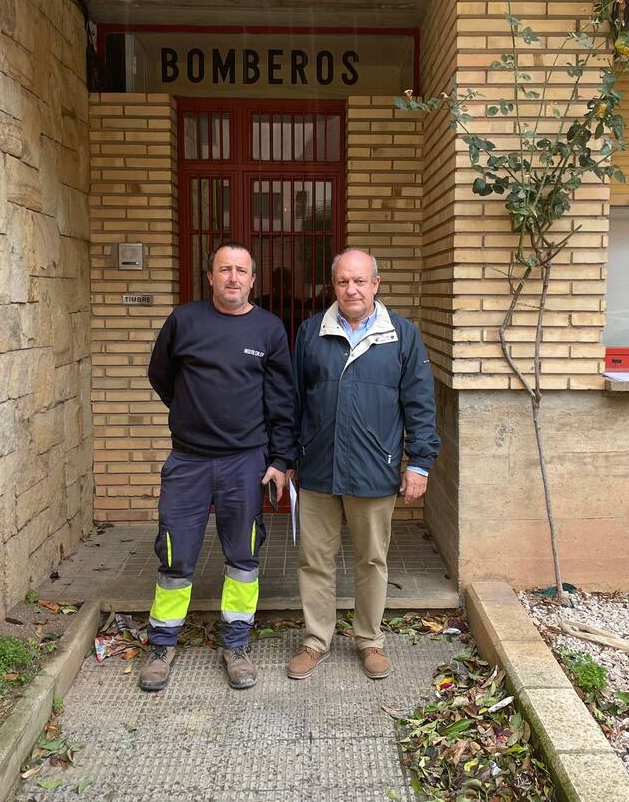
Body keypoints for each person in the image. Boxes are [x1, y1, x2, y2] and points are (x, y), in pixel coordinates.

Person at [140, 242, 294, 692]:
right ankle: (162, 644)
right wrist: (190, 412)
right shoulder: (183, 321)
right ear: (210, 277)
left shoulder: (269, 329)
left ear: (252, 280)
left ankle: (236, 643)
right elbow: (160, 376)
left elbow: (282, 400)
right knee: (175, 555)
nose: (232, 278)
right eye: (223, 270)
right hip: (188, 461)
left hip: (245, 463)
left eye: (241, 271)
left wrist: (280, 461)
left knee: (243, 556)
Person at [287, 249, 439, 681]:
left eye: (359, 281)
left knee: (371, 560)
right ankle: (316, 640)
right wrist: (290, 454)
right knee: (314, 560)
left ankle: (369, 640)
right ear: (332, 285)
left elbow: (419, 403)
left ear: (376, 284)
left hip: (376, 468)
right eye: (342, 282)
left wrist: (420, 462)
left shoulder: (402, 334)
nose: (351, 289)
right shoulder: (310, 332)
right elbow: (294, 400)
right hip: (317, 467)